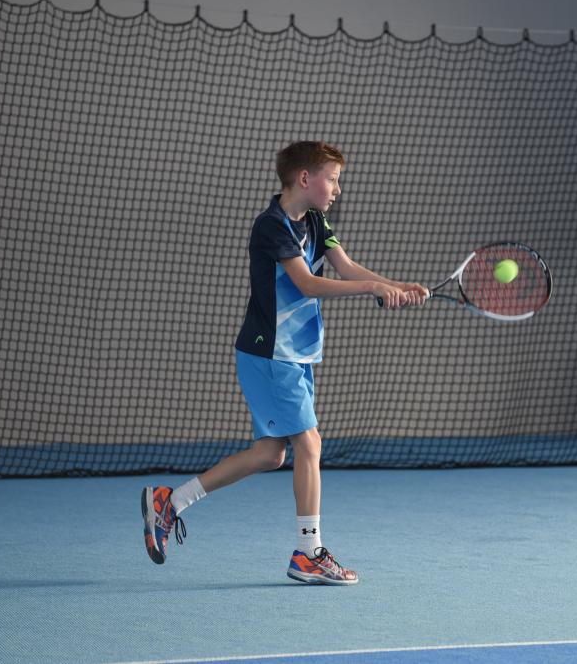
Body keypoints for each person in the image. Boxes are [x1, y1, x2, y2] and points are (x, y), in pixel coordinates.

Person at [141, 141, 428, 585]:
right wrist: (373, 290)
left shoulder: (315, 219)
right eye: (332, 179)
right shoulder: (271, 226)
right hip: (270, 353)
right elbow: (308, 283)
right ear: (304, 179)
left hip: (294, 354)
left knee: (269, 455)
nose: (336, 189)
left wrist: (394, 284)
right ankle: (308, 552)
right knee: (309, 445)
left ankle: (170, 501)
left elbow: (346, 266)